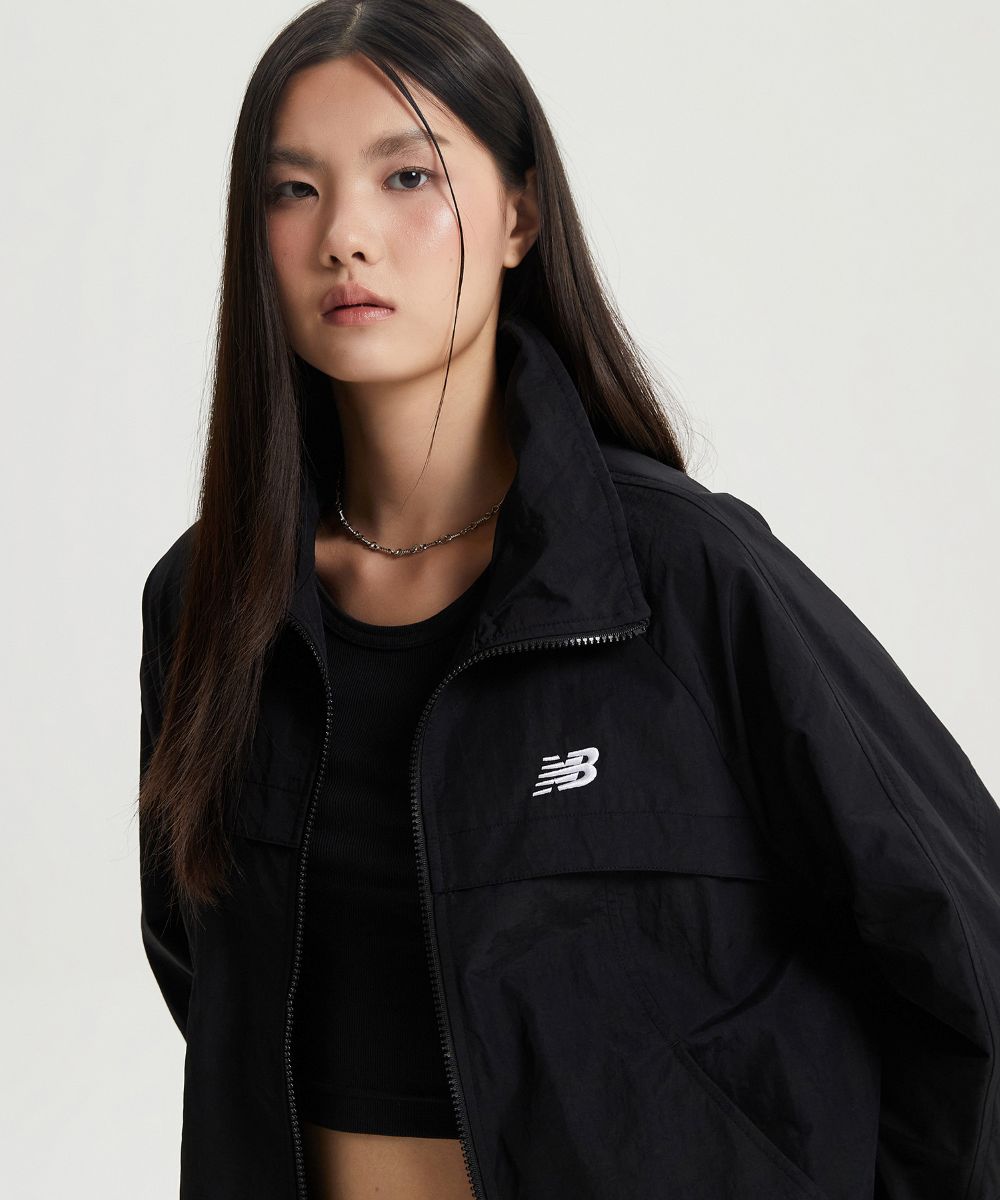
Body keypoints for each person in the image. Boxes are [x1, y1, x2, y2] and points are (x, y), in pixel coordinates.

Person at [136, 2, 1000, 1198]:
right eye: (293, 190)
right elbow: (208, 976)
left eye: (406, 176)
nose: (345, 236)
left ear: (519, 216)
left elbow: (959, 938)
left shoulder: (678, 575)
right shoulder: (210, 603)